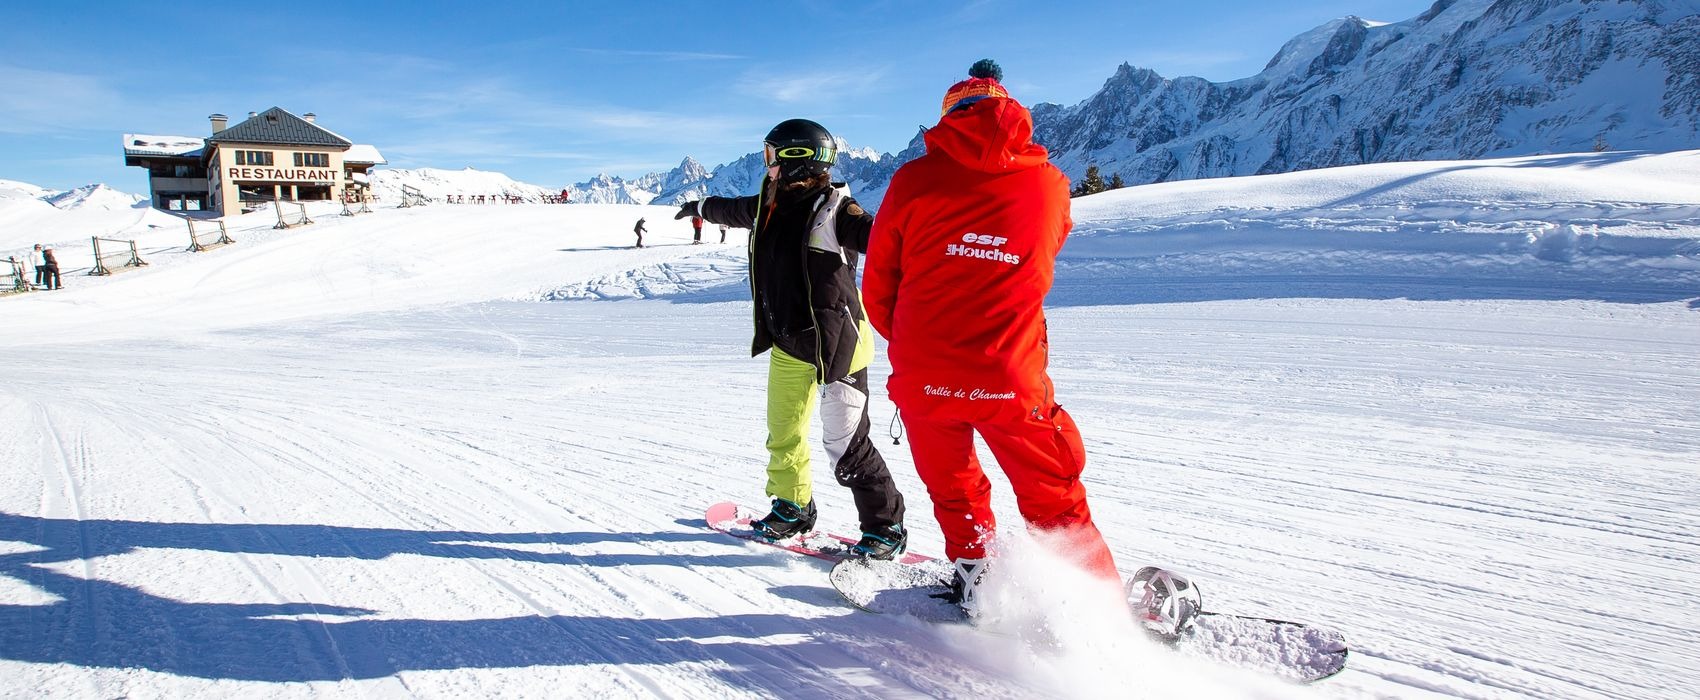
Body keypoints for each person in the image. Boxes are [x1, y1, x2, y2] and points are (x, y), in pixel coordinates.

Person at [863, 60, 1118, 613]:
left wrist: (916, 345)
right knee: (1053, 492)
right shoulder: (1050, 185)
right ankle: (1093, 605)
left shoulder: (912, 180)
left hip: (925, 374)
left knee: (953, 488)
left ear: (949, 116)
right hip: (1010, 372)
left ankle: (978, 584)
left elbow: (877, 286)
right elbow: (1039, 258)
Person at [675, 118, 908, 559]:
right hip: (788, 344)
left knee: (845, 444)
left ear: (795, 158)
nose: (768, 166)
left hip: (839, 347)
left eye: (771, 156)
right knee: (783, 434)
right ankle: (793, 507)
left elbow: (882, 237)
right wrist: (702, 206)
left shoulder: (837, 210)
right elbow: (734, 210)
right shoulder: (769, 202)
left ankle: (885, 527)